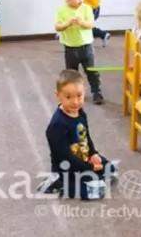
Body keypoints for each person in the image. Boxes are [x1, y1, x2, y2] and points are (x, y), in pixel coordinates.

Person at [44, 70, 117, 199]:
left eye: (79, 96)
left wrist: (93, 153)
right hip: (67, 168)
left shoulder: (80, 112)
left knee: (110, 169)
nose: (75, 102)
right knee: (97, 191)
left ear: (84, 92)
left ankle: (90, 177)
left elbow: (86, 136)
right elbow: (65, 157)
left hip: (83, 156)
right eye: (68, 97)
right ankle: (60, 183)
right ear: (58, 95)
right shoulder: (57, 125)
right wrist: (90, 167)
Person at [55, 0, 104, 104]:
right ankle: (73, 93)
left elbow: (91, 24)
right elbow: (57, 27)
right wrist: (67, 24)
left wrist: (82, 23)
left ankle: (96, 92)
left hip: (86, 47)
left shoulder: (86, 8)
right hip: (70, 49)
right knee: (72, 74)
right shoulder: (62, 11)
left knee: (91, 71)